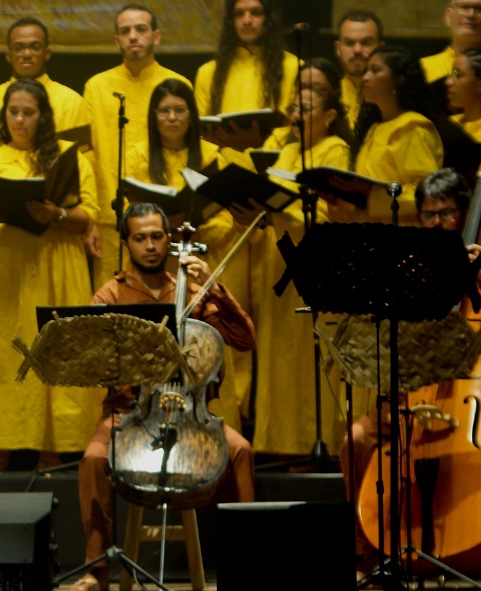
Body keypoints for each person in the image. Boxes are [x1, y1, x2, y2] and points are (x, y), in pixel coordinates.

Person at [72, 202, 255, 591]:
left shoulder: (191, 291)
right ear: (127, 243)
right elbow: (87, 356)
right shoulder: (111, 294)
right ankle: (96, 567)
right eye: (140, 238)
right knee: (92, 459)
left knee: (241, 452)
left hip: (192, 412)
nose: (150, 245)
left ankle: (247, 563)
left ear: (169, 240)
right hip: (130, 412)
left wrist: (215, 288)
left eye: (157, 236)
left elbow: (245, 339)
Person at [0, 79, 101, 471]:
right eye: (13, 112)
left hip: (52, 261)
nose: (19, 120)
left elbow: (89, 215)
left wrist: (59, 214)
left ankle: (52, 446)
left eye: (28, 113)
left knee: (50, 348)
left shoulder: (69, 155)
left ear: (42, 117)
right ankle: (0, 446)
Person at [340, 167, 481, 571]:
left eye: (447, 214)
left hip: (472, 400)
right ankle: (366, 550)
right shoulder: (408, 270)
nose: (437, 224)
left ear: (465, 212)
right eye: (428, 215)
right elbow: (386, 343)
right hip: (412, 401)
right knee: (355, 440)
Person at [125, 78, 250, 427]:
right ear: (154, 116)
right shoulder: (137, 155)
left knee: (207, 342)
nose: (172, 117)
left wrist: (199, 226)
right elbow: (129, 212)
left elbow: (229, 213)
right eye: (164, 110)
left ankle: (213, 422)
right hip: (154, 265)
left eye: (179, 110)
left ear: (191, 116)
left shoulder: (211, 156)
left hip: (200, 261)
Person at [251, 67, 352, 458]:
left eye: (306, 108)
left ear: (329, 116)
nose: (296, 115)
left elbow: (330, 216)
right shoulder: (288, 151)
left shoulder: (335, 151)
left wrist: (283, 206)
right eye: (293, 108)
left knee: (311, 356)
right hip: (280, 262)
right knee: (279, 355)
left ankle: (317, 444)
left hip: (315, 266)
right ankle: (279, 444)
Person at [83, 3, 190, 293]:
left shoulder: (176, 84)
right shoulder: (97, 86)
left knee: (166, 301)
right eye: (125, 31)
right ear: (117, 40)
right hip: (110, 220)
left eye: (140, 29)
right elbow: (88, 157)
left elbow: (191, 149)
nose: (133, 36)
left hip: (164, 223)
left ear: (156, 36)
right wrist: (90, 219)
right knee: (111, 307)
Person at [331, 46, 444, 225]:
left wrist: (370, 194)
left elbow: (428, 195)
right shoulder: (374, 129)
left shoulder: (413, 128)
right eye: (367, 70)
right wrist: (341, 195)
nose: (365, 77)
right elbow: (366, 195)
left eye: (375, 70)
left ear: (398, 80)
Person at [193, 0, 297, 151]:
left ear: (267, 18)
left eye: (255, 13)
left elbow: (292, 126)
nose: (247, 20)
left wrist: (259, 148)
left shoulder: (293, 67)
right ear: (231, 21)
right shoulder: (207, 72)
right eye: (239, 14)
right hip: (222, 167)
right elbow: (199, 131)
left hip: (271, 166)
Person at [0, 17, 91, 147]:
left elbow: (84, 157)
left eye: (35, 47)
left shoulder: (72, 102)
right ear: (8, 55)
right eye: (18, 47)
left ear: (47, 53)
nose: (27, 54)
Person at [334, 9, 384, 129]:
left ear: (381, 49)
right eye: (350, 43)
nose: (357, 50)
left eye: (366, 43)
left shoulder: (394, 99)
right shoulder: (326, 96)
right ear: (338, 48)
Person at [422, 0, 481, 86]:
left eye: (480, 9)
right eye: (464, 7)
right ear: (448, 16)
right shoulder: (424, 68)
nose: (471, 14)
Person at [446, 46, 481, 141]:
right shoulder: (449, 124)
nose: (448, 82)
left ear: (480, 83)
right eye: (451, 74)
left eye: (458, 75)